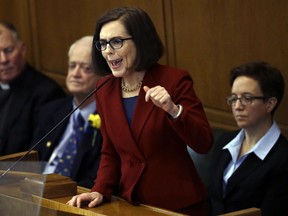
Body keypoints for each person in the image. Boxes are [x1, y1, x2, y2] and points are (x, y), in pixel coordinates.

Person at [67, 6, 213, 215]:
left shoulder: (174, 81)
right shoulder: (104, 88)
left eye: (116, 41)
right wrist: (100, 189)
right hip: (131, 205)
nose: (108, 50)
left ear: (141, 41)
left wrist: (173, 109)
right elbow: (110, 151)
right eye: (103, 44)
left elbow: (204, 143)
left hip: (178, 207)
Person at [208, 61, 288, 216]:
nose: (237, 106)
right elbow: (211, 200)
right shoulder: (225, 141)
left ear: (270, 104)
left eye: (247, 98)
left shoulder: (283, 158)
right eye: (233, 98)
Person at [33, 36, 103, 188]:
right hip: (34, 192)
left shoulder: (109, 120)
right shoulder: (50, 110)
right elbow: (32, 161)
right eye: (72, 66)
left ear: (103, 75)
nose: (75, 74)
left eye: (86, 68)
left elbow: (94, 179)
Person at [0, 21, 66, 156]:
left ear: (22, 49)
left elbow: (37, 156)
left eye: (8, 50)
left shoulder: (47, 93)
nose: (3, 59)